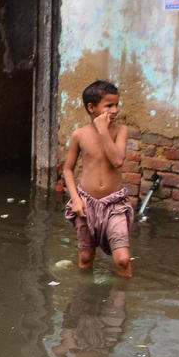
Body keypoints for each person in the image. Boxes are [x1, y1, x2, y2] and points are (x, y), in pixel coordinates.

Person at [63, 80, 133, 278]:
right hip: (86, 203)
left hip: (114, 204)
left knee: (123, 259)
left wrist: (103, 130)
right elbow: (68, 170)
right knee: (86, 257)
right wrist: (76, 200)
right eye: (109, 105)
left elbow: (117, 161)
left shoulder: (120, 131)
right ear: (91, 108)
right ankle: (84, 294)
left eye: (117, 104)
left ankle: (122, 297)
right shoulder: (79, 135)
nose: (115, 110)